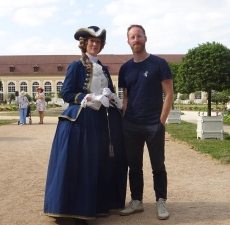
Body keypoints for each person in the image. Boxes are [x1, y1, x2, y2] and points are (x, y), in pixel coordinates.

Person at [43, 26, 127, 225]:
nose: (95, 45)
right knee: (80, 164)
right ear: (84, 44)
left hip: (100, 122)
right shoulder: (76, 66)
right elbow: (67, 93)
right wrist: (90, 96)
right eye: (91, 41)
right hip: (79, 122)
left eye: (98, 42)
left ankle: (94, 206)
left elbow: (109, 92)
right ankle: (74, 209)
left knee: (97, 163)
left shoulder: (105, 69)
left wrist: (112, 98)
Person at [118, 24, 174, 220]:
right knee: (134, 166)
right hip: (131, 123)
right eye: (132, 37)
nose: (136, 40)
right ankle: (137, 201)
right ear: (128, 41)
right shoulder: (125, 68)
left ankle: (161, 201)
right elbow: (125, 97)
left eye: (139, 36)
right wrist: (124, 116)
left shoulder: (159, 64)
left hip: (153, 124)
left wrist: (161, 120)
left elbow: (169, 94)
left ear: (145, 38)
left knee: (158, 165)